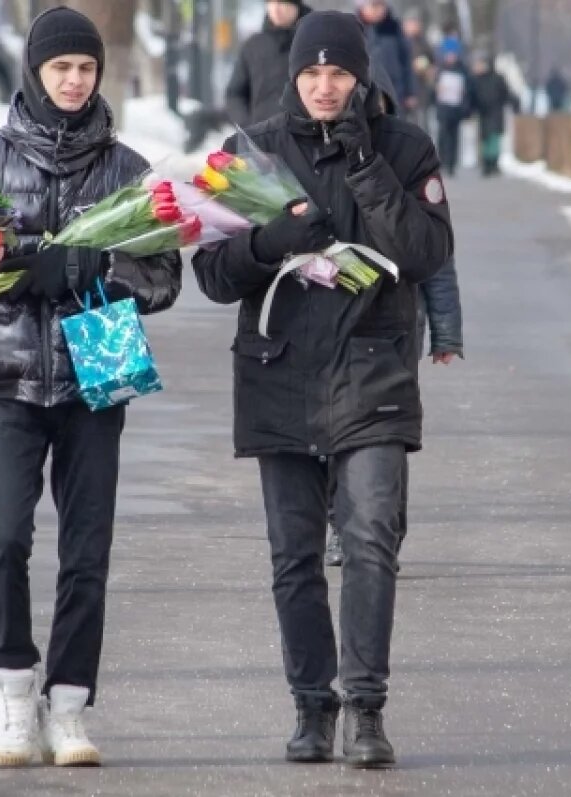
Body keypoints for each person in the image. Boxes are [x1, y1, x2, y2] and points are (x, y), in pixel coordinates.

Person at [0, 7, 181, 769]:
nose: (74, 80)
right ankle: (11, 689)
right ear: (35, 72)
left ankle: (68, 703)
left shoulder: (128, 171)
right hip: (8, 374)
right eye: (61, 68)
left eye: (86, 69)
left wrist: (98, 268)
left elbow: (163, 277)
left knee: (86, 546)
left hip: (96, 373)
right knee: (4, 535)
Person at [191, 10, 453, 769]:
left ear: (361, 75)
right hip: (280, 371)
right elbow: (210, 274)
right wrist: (271, 241)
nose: (325, 86)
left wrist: (367, 168)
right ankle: (312, 706)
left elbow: (427, 251)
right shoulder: (254, 153)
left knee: (371, 538)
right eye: (312, 73)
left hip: (374, 369)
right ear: (295, 75)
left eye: (340, 73)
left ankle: (366, 709)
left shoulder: (405, 148)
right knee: (294, 556)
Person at [324, 68, 463, 568]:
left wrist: (445, 331)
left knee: (386, 432)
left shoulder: (403, 161)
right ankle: (340, 525)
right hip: (332, 319)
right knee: (331, 430)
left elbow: (438, 263)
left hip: (400, 323)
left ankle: (385, 528)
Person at [225, 0, 313, 128]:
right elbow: (235, 94)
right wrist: (248, 126)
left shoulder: (313, 43)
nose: (276, 9)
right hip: (261, 138)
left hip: (306, 138)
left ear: (296, 5)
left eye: (282, 2)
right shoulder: (253, 46)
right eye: (271, 2)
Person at [354, 0, 415, 118]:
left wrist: (410, 91)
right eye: (374, 5)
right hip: (364, 90)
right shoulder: (354, 29)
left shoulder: (394, 29)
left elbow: (406, 62)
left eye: (381, 5)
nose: (378, 10)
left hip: (395, 90)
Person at [470, 52, 520, 176]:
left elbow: (506, 93)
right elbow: (473, 97)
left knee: (494, 139)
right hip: (484, 113)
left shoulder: (497, 79)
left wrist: (514, 103)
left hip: (495, 112)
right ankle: (487, 163)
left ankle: (493, 163)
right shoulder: (478, 80)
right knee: (486, 139)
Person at [432, 39, 470, 176]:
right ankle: (442, 161)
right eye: (448, 54)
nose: (451, 57)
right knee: (443, 135)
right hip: (443, 108)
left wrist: (466, 106)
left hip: (456, 108)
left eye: (453, 54)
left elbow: (467, 90)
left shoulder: (462, 70)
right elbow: (433, 88)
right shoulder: (440, 70)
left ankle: (452, 164)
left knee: (454, 136)